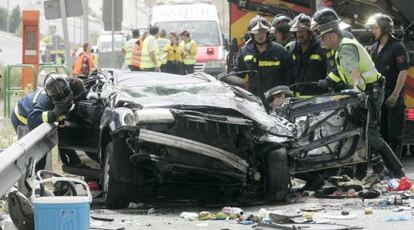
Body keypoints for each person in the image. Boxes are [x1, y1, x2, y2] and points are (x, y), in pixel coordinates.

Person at [312, 8, 405, 179]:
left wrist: (355, 91)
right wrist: (328, 81)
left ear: (332, 35)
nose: (322, 41)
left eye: (323, 37)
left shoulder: (345, 48)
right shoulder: (343, 45)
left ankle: (398, 173)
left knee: (371, 134)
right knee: (359, 132)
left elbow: (356, 78)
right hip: (369, 91)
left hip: (370, 92)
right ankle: (365, 173)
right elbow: (344, 72)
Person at [10, 74, 85, 171]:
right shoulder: (47, 100)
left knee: (41, 151)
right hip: (21, 118)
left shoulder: (60, 87)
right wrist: (54, 114)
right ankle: (33, 179)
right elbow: (33, 120)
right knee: (37, 152)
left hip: (30, 113)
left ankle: (37, 177)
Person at [365, 13, 408, 159]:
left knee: (394, 135)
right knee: (381, 134)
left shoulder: (397, 46)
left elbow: (403, 71)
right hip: (379, 97)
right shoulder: (375, 47)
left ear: (383, 28)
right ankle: (384, 169)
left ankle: (395, 171)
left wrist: (395, 95)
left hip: (393, 97)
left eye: (375, 27)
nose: (372, 30)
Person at [233, 15, 292, 103]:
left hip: (276, 101)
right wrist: (227, 78)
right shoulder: (244, 51)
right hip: (254, 101)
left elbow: (289, 77)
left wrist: (284, 97)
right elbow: (238, 73)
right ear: (252, 34)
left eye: (263, 32)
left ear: (267, 32)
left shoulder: (280, 51)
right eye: (257, 32)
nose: (260, 35)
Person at [289, 13, 328, 84]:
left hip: (317, 94)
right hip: (297, 93)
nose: (299, 34)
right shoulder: (293, 49)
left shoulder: (321, 48)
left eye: (302, 31)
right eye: (297, 31)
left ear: (310, 32)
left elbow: (328, 71)